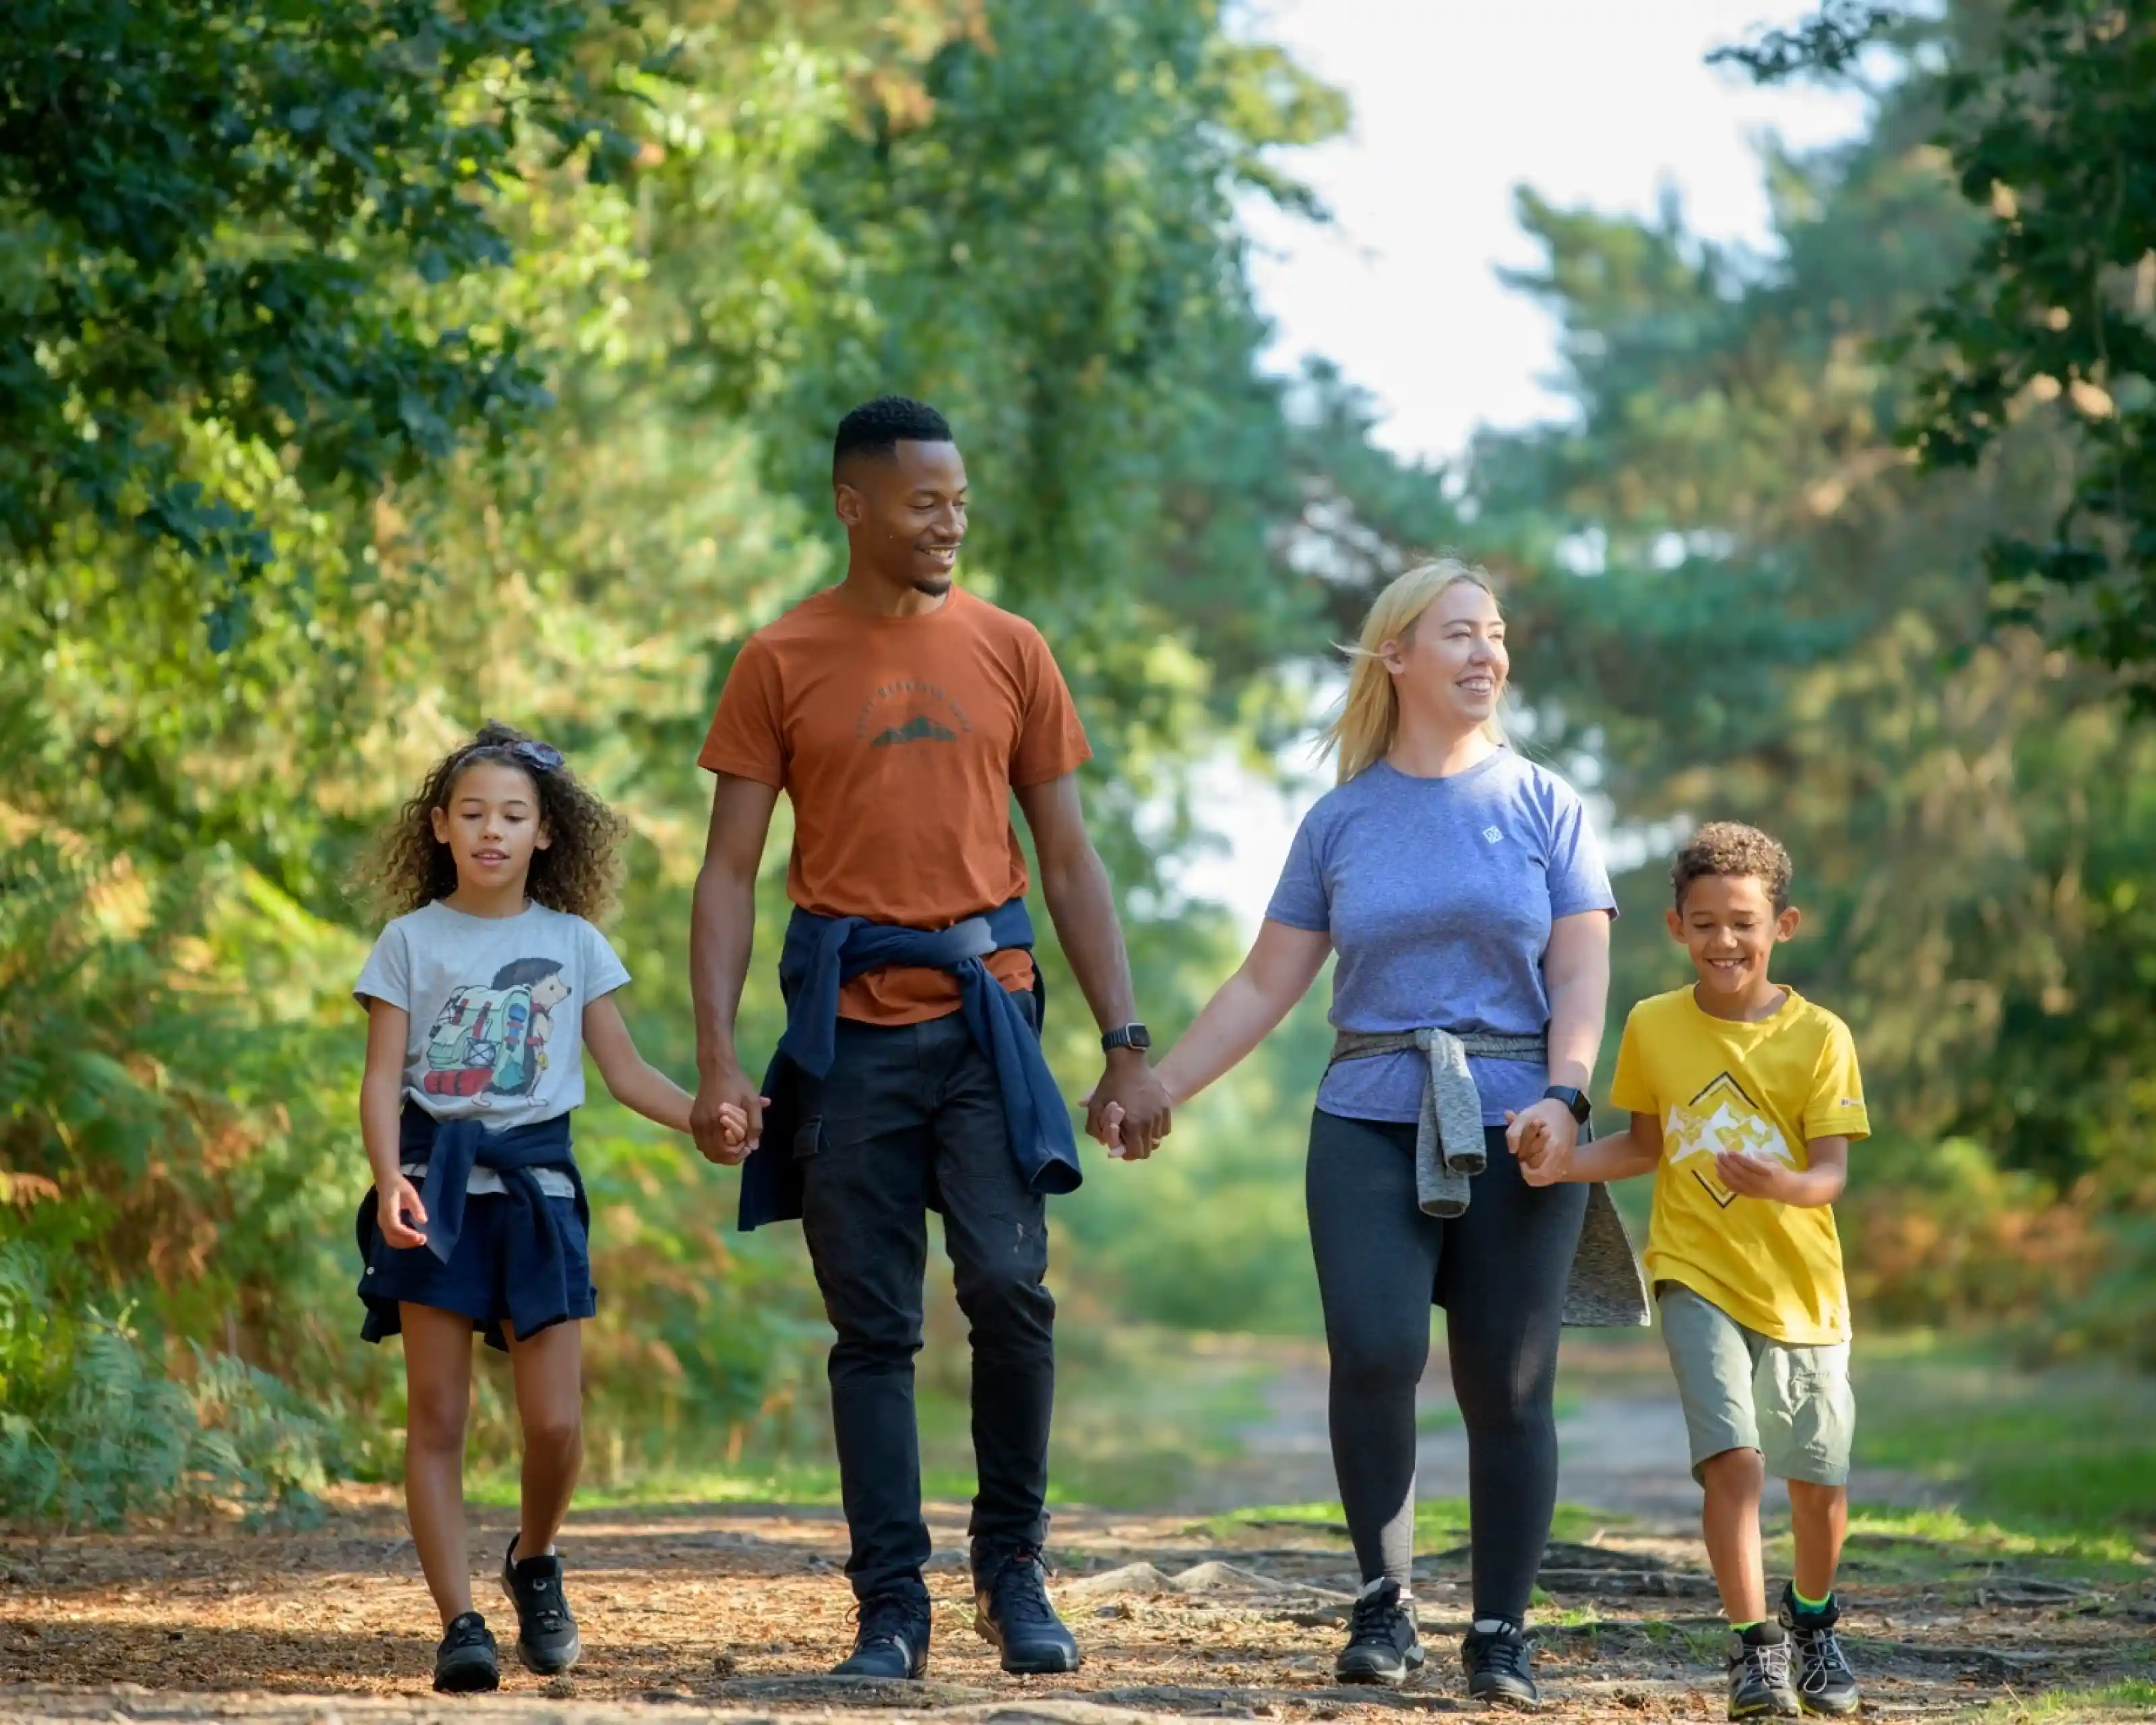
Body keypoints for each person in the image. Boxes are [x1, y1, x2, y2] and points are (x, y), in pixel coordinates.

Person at [1102, 560, 1646, 1707]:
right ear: (1396, 655)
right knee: (1377, 1350)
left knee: (1507, 1386)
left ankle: (1501, 1630)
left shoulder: (1545, 802)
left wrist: (1568, 1097)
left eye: (1495, 635)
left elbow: (1582, 964)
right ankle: (1383, 1605)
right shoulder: (1340, 819)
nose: (1485, 653)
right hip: (1367, 1114)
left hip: (1517, 1125)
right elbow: (1264, 986)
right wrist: (1161, 1086)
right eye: (1458, 634)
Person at [687, 395, 1171, 1681]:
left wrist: (1126, 1041)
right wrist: (725, 1060)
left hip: (986, 1025)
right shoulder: (779, 657)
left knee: (1011, 1286)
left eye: (960, 499)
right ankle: (890, 1605)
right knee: (874, 1327)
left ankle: (1013, 1570)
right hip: (844, 1037)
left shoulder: (1012, 647)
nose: (950, 520)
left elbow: (1067, 856)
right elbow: (729, 874)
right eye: (924, 501)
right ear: (853, 506)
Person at [354, 722, 710, 1694]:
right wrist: (391, 1180)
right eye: (472, 814)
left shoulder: (573, 943)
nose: (492, 831)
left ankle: (534, 1560)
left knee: (554, 1425)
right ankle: (459, 1623)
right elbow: (382, 1080)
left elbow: (628, 1072)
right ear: (440, 827)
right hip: (435, 1191)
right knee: (437, 1416)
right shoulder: (409, 942)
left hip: (540, 1196)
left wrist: (707, 1119)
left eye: (514, 815)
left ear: (549, 834)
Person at [1529, 823, 1865, 1720]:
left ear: (1783, 925)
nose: (1726, 941)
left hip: (1803, 1290)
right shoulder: (1652, 1025)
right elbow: (1645, 1145)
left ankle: (1814, 1623)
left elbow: (1831, 1173)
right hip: (1692, 1272)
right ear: (1677, 927)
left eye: (1744, 923)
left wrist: (1783, 1183)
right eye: (1706, 923)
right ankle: (1755, 1651)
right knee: (1734, 1463)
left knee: (1819, 1486)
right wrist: (1562, 1162)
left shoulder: (1822, 1037)